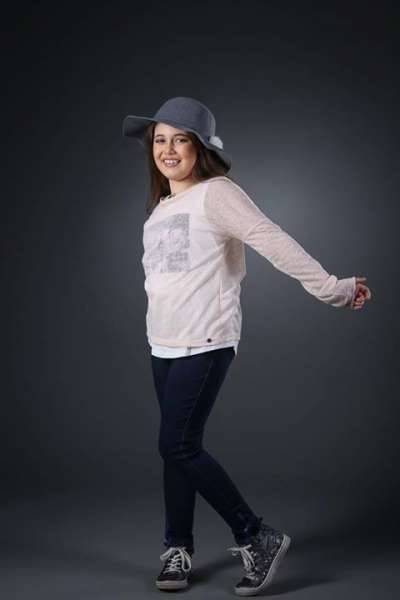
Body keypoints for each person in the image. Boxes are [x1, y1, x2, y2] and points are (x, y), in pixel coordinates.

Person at [122, 97, 372, 595]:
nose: (168, 150)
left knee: (177, 444)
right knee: (176, 450)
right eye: (159, 140)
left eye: (180, 140)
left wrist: (332, 288)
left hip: (206, 339)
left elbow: (271, 239)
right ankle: (178, 547)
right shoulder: (162, 209)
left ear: (201, 148)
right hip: (163, 344)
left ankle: (256, 535)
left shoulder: (218, 194)